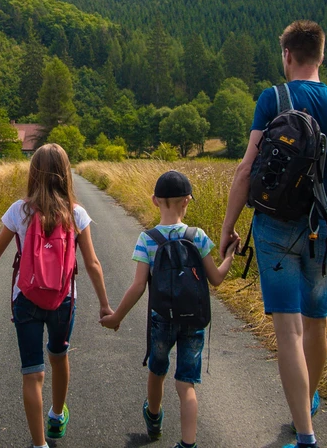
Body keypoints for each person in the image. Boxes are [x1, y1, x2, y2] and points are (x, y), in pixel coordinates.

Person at [218, 21, 327, 448]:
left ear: (287, 55)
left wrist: (228, 227)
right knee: (317, 323)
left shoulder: (272, 99)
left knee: (288, 330)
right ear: (321, 55)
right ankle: (308, 402)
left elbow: (246, 168)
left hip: (275, 225)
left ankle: (305, 433)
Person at [0, 143, 114, 448]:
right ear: (65, 174)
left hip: (26, 299)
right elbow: (92, 263)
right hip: (64, 300)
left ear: (34, 173)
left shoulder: (20, 210)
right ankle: (57, 415)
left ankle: (39, 444)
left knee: (32, 372)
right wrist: (104, 305)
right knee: (59, 357)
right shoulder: (76, 214)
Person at [99, 170, 241, 448]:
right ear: (187, 200)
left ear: (154, 201)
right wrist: (230, 256)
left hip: (162, 319)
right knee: (186, 384)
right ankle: (188, 443)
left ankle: (154, 417)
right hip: (194, 320)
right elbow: (217, 278)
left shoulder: (147, 239)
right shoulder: (197, 236)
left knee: (157, 369)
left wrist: (117, 316)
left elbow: (139, 286)